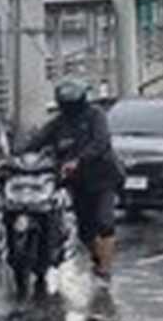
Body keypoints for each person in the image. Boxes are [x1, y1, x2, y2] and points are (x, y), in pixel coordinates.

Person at [25, 79, 125, 284]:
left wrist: (78, 160)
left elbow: (101, 143)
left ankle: (105, 270)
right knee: (85, 229)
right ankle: (97, 256)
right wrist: (13, 155)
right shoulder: (58, 123)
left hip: (102, 176)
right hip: (77, 182)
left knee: (104, 221)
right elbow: (36, 142)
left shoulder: (95, 116)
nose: (69, 109)